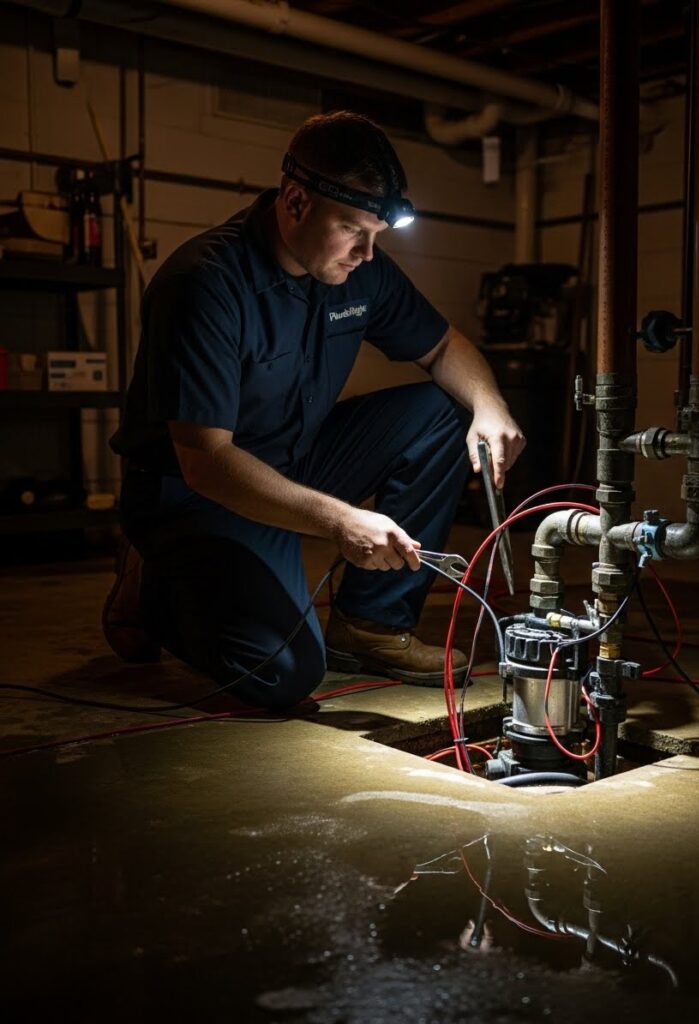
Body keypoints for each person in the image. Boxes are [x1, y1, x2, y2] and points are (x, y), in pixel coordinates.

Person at [103, 111, 525, 710]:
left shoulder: (360, 272)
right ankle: (151, 589)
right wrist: (341, 522)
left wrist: (490, 404)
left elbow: (444, 346)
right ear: (295, 202)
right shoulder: (204, 284)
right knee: (283, 675)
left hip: (297, 461)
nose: (368, 253)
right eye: (354, 229)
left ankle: (372, 625)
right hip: (195, 498)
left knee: (445, 408)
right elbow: (207, 463)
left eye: (378, 233)